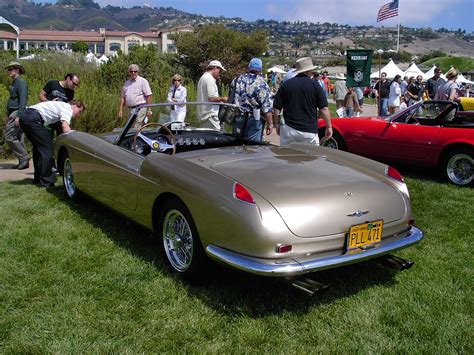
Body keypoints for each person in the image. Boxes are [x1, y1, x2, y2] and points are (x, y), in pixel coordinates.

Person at [19, 100, 85, 188]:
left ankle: (38, 178)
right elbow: (65, 126)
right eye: (79, 111)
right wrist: (72, 140)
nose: (78, 115)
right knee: (47, 148)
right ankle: (47, 182)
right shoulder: (67, 108)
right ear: (75, 106)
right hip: (33, 118)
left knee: (38, 148)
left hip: (25, 116)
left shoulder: (59, 105)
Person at [273, 57, 332, 147]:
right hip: (309, 130)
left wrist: (277, 124)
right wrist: (329, 127)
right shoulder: (315, 85)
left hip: (289, 129)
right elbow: (324, 109)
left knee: (286, 158)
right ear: (308, 71)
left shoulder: (286, 85)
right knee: (310, 159)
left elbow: (277, 107)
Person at [232, 58, 273, 141]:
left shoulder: (237, 80)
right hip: (255, 119)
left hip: (239, 117)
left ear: (249, 67)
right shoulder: (262, 84)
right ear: (260, 69)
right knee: (252, 149)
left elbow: (231, 98)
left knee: (237, 144)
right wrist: (270, 124)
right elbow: (266, 108)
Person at [3, 62, 30, 170]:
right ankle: (23, 161)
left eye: (11, 69)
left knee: (8, 135)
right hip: (12, 112)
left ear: (17, 70)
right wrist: (7, 114)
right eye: (8, 69)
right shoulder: (14, 82)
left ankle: (24, 157)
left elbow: (23, 100)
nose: (9, 71)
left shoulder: (21, 82)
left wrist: (19, 115)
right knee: (19, 137)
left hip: (17, 112)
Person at [196, 60, 228, 130]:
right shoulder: (209, 79)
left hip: (204, 115)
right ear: (215, 68)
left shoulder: (203, 77)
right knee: (217, 137)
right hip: (209, 115)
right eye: (220, 71)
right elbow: (212, 98)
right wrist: (224, 99)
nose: (220, 73)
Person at [118, 64, 152, 128]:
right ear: (129, 72)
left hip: (140, 108)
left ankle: (136, 137)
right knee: (129, 128)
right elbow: (123, 97)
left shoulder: (143, 81)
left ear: (137, 72)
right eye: (131, 71)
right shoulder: (127, 83)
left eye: (135, 71)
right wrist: (121, 110)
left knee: (137, 127)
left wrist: (149, 109)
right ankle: (136, 137)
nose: (133, 73)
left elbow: (148, 96)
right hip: (130, 109)